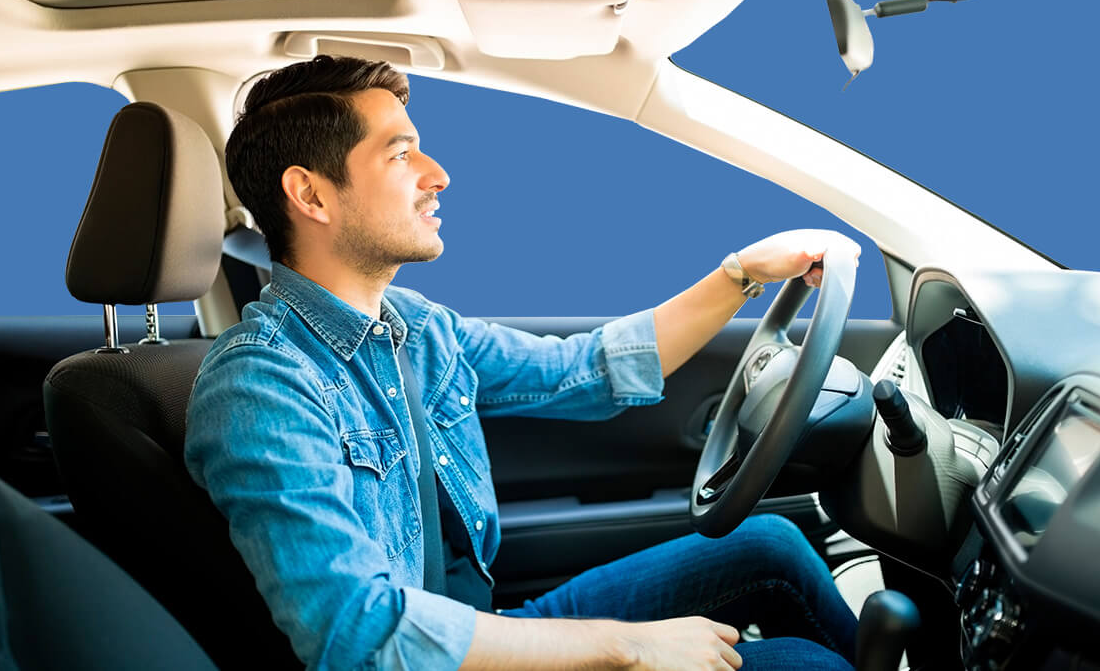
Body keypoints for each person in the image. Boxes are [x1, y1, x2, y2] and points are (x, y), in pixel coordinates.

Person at [185, 55, 862, 671]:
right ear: (311, 196)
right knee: (808, 667)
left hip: (484, 625)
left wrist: (741, 273)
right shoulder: (260, 384)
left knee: (768, 544)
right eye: (400, 156)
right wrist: (626, 647)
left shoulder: (416, 329)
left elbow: (584, 371)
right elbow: (361, 636)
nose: (437, 175)